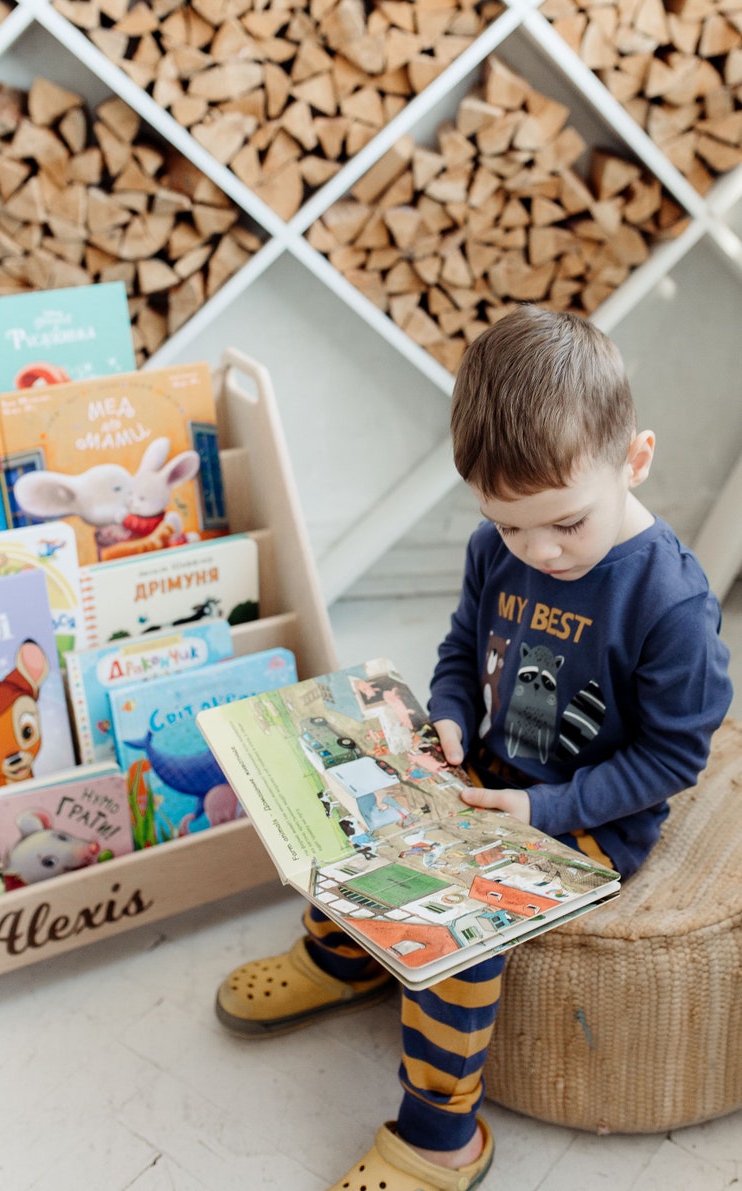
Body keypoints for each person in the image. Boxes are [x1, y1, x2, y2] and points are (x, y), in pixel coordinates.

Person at [215, 305, 733, 1190]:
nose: (538, 549)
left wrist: (543, 809)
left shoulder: (671, 603)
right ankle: (337, 959)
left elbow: (673, 761)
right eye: (509, 524)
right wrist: (449, 717)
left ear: (635, 460)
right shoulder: (498, 547)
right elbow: (463, 647)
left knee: (453, 931)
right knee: (360, 817)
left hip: (594, 817)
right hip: (490, 772)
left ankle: (441, 1137)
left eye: (566, 524)